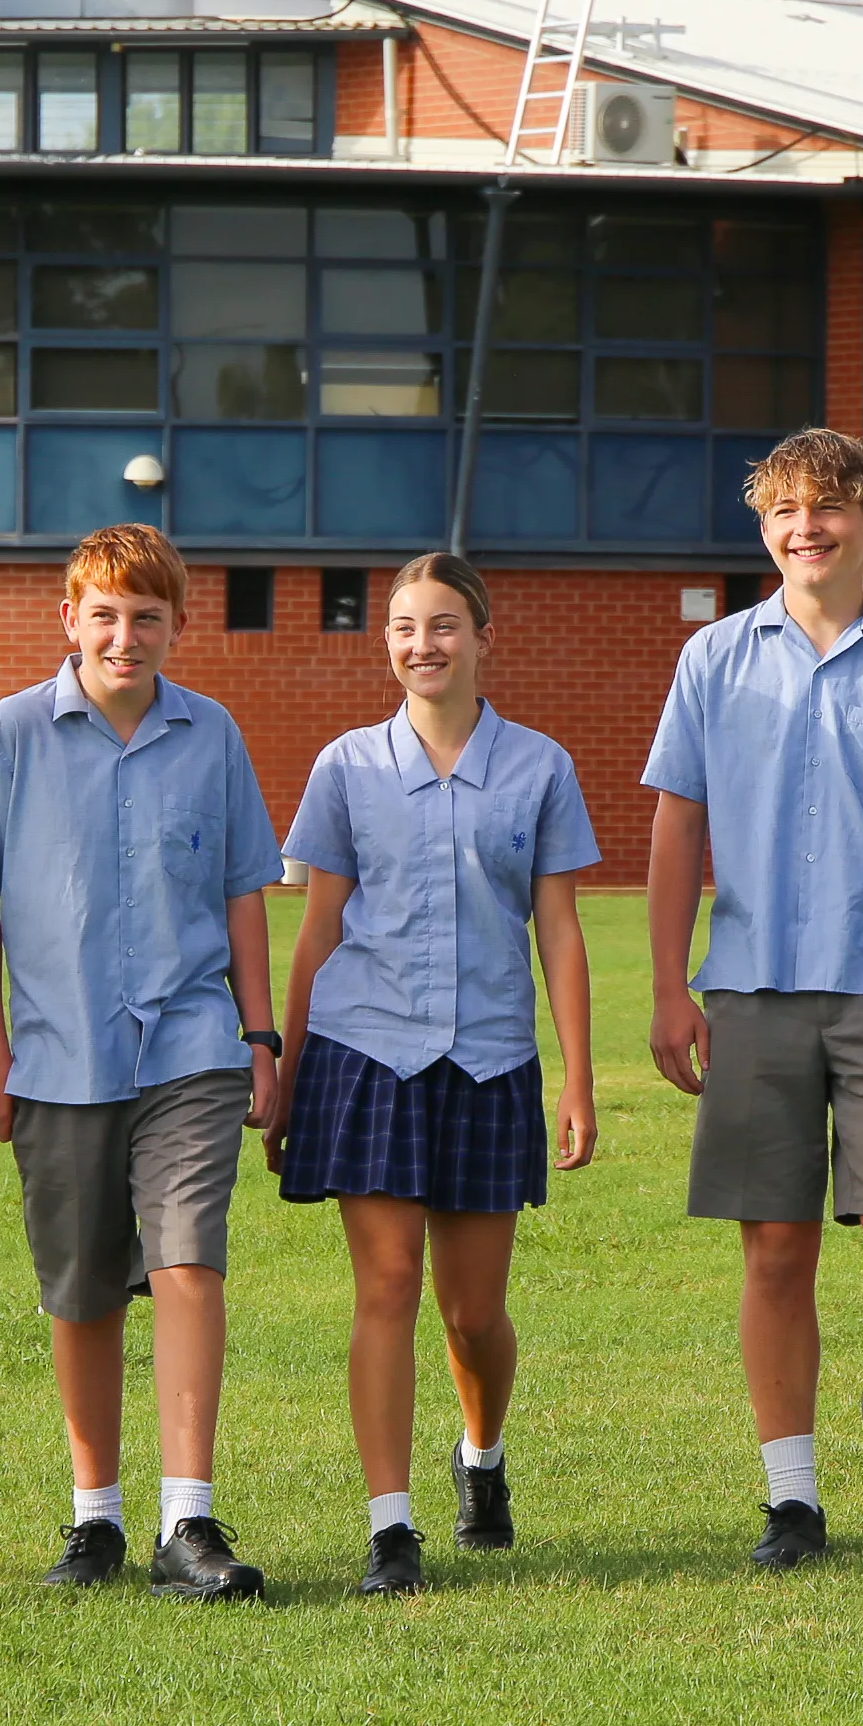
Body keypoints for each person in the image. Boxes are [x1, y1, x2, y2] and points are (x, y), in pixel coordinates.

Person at [643, 429, 863, 1570]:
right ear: (765, 529)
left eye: (829, 508)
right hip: (748, 990)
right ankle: (789, 1500)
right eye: (786, 510)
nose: (807, 527)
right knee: (773, 1254)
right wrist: (667, 986)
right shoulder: (710, 662)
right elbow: (675, 826)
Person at [0, 524, 284, 1601]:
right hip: (57, 1057)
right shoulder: (10, 734)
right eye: (105, 613)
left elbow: (242, 893)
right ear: (69, 619)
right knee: (84, 1291)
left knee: (187, 1263)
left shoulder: (212, 734)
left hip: (189, 1049)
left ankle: (188, 1519)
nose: (124, 635)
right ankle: (95, 1517)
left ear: (177, 626)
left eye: (147, 617)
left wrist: (260, 1035)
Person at [266, 554, 599, 1596]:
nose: (422, 644)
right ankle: (389, 1527)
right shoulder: (346, 767)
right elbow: (317, 925)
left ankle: (480, 1455)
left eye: (443, 624)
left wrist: (577, 1078)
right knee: (386, 1288)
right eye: (404, 627)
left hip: (489, 1059)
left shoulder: (538, 767)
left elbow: (557, 928)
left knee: (470, 1312)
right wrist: (280, 1064)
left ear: (481, 636)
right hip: (364, 1054)